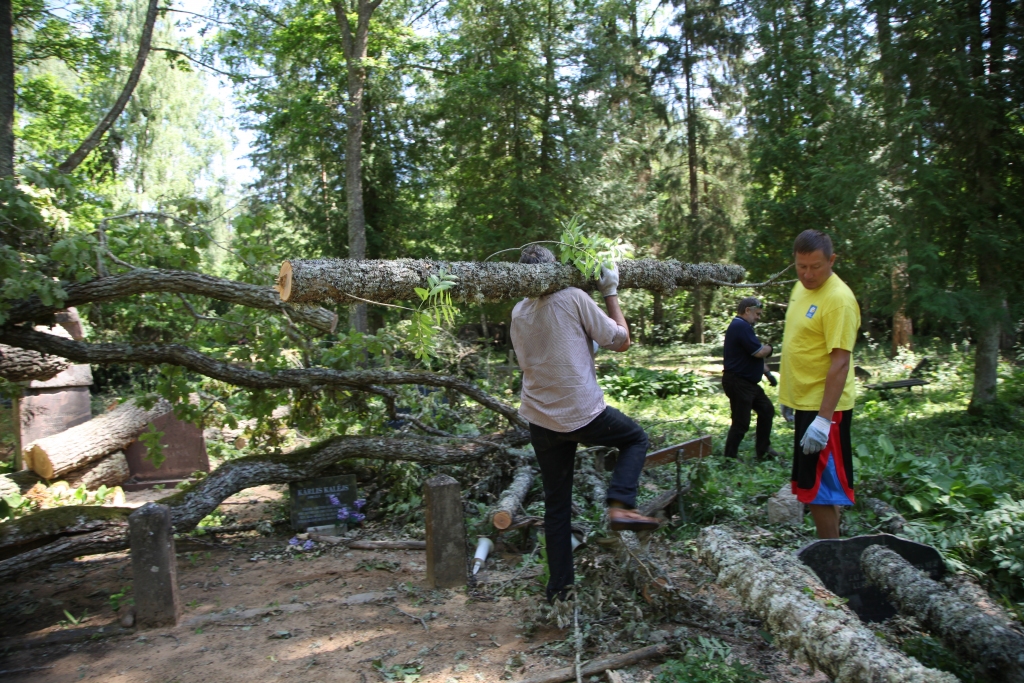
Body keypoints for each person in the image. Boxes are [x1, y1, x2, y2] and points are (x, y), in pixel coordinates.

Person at [510, 245, 659, 604]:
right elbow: (620, 342)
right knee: (636, 438)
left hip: (540, 418)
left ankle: (559, 591)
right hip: (580, 412)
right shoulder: (573, 297)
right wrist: (610, 293)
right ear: (554, 273)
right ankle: (621, 503)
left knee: (556, 505)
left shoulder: (518, 311)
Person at [779, 230, 861, 539]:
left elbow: (840, 363)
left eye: (816, 266)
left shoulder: (838, 300)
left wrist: (824, 420)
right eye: (801, 266)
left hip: (825, 408)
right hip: (804, 402)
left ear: (832, 260)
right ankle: (832, 547)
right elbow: (799, 343)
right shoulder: (800, 289)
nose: (808, 274)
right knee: (815, 485)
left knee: (818, 491)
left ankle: (831, 559)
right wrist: (789, 394)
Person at [722, 297, 780, 460]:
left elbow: (753, 357)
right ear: (747, 310)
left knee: (767, 410)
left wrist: (767, 374)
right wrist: (770, 347)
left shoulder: (743, 327)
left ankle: (763, 450)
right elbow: (760, 352)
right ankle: (729, 458)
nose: (758, 318)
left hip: (747, 383)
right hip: (738, 382)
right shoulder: (741, 326)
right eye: (757, 314)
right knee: (741, 423)